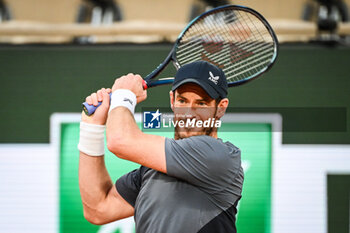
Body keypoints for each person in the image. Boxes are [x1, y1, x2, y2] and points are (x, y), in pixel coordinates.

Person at [78, 61, 244, 233]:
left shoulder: (220, 156)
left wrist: (123, 95)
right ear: (172, 100)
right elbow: (98, 209)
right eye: (182, 100)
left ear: (221, 107)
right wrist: (91, 127)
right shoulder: (150, 169)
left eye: (201, 103)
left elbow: (120, 140)